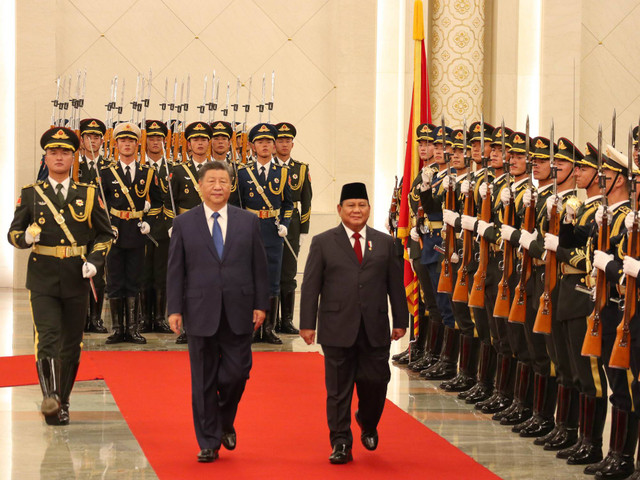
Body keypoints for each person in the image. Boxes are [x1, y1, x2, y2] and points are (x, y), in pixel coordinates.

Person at [8, 126, 114, 425]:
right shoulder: (31, 194)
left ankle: (63, 400)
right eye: (53, 152)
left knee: (71, 341)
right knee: (47, 337)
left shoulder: (89, 193)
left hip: (77, 276)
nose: (58, 157)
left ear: (73, 157)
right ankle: (49, 397)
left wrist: (95, 261)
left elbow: (106, 234)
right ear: (46, 157)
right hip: (42, 275)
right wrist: (25, 238)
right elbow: (13, 234)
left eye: (64, 152)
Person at [166, 161, 269, 463]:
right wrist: (174, 309)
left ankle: (225, 420)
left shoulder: (247, 221)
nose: (217, 187)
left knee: (237, 373)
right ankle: (208, 440)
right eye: (211, 181)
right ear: (200, 186)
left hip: (239, 309)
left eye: (223, 181)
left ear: (231, 186)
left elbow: (259, 268)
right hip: (199, 310)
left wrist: (261, 304)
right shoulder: (184, 223)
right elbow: (175, 270)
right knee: (203, 380)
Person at [299, 182, 408, 465]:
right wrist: (307, 323)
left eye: (361, 205)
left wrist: (400, 319)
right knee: (338, 390)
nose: (356, 210)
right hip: (336, 327)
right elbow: (311, 286)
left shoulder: (385, 243)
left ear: (369, 209)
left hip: (375, 327)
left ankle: (367, 421)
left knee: (376, 381)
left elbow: (395, 285)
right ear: (340, 209)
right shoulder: (323, 242)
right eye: (351, 205)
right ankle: (340, 443)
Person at [100, 122, 163, 345]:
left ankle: (133, 329)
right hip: (115, 234)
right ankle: (118, 329)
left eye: (131, 141)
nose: (127, 145)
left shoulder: (148, 172)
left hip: (137, 233)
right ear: (116, 145)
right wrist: (110, 225)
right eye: (122, 141)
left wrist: (149, 222)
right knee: (115, 280)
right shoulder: (106, 173)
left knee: (135, 280)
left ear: (138, 145)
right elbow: (101, 203)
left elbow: (158, 201)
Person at [236, 123, 293, 344]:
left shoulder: (283, 172)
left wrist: (285, 223)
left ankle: (268, 329)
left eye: (269, 142)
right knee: (249, 280)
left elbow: (288, 203)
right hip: (250, 232)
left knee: (272, 281)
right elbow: (236, 205)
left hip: (272, 232)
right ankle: (251, 328)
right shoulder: (242, 173)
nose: (265, 145)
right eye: (260, 142)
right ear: (252, 146)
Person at [273, 122, 312, 335]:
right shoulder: (269, 168)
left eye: (288, 141)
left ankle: (286, 320)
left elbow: (306, 200)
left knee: (288, 272)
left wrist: (303, 229)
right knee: (271, 271)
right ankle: (269, 319)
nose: (284, 144)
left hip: (293, 224)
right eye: (280, 140)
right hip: (270, 220)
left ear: (292, 144)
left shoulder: (301, 169)